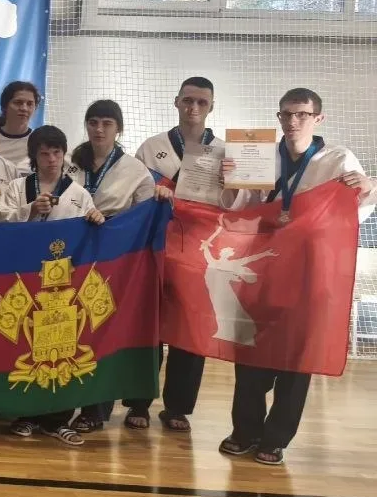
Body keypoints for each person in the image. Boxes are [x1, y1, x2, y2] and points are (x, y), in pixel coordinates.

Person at [217, 87, 374, 466]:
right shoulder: (260, 156)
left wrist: (369, 187)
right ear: (278, 117)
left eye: (302, 114)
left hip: (309, 271)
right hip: (263, 267)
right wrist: (232, 183)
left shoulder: (337, 160)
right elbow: (241, 208)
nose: (292, 121)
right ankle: (245, 431)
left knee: (296, 358)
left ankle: (275, 438)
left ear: (318, 118)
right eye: (286, 114)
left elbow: (359, 205)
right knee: (250, 350)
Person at [0, 125, 104, 447]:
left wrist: (96, 218)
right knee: (25, 344)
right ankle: (24, 415)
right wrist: (29, 209)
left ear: (64, 154)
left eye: (57, 152)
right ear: (34, 156)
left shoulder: (78, 193)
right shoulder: (18, 188)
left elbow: (91, 227)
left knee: (62, 347)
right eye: (44, 153)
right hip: (25, 277)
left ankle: (57, 420)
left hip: (62, 284)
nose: (51, 159)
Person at [129, 76, 223, 432]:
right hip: (155, 247)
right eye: (188, 100)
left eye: (201, 102)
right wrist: (155, 191)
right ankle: (138, 401)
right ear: (176, 102)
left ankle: (178, 408)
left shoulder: (224, 152)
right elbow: (134, 192)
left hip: (199, 251)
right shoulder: (152, 147)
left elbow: (235, 204)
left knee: (190, 328)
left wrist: (231, 184)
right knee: (148, 326)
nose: (193, 107)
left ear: (211, 106)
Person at [69, 99, 168, 434]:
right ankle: (62, 401)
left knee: (102, 329)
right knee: (72, 329)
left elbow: (144, 216)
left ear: (118, 129)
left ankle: (96, 409)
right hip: (72, 255)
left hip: (114, 259)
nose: (99, 129)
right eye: (93, 122)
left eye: (106, 123)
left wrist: (161, 200)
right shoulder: (70, 163)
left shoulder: (134, 170)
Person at [0, 81, 41, 169]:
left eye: (30, 104)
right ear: (4, 106)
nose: (24, 108)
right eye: (18, 102)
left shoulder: (39, 140)